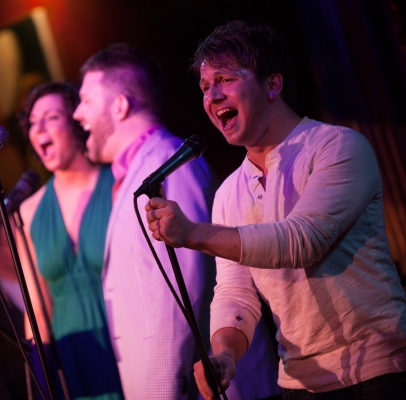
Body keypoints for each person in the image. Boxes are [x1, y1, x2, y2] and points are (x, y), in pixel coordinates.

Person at [144, 20, 406, 399]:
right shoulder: (230, 191)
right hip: (298, 383)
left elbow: (302, 241)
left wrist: (194, 233)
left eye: (225, 79)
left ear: (272, 85)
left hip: (378, 372)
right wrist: (225, 355)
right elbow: (236, 292)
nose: (212, 96)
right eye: (204, 87)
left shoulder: (337, 146)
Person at [73, 43, 281, 399]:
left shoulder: (171, 161)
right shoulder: (134, 173)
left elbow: (184, 288)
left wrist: (162, 391)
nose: (77, 113)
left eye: (87, 100)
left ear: (120, 106)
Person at [16, 81, 124, 399]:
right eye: (32, 122)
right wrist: (41, 375)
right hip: (73, 347)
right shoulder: (29, 210)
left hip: (125, 335)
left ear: (77, 122)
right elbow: (36, 306)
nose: (39, 129)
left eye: (51, 117)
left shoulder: (119, 184)